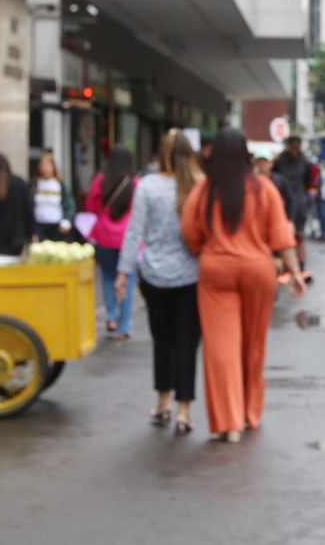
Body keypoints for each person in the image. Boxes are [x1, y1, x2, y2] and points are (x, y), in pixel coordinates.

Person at [181, 128, 306, 444]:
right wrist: (295, 273)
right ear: (245, 154)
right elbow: (281, 236)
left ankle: (229, 421)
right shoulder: (263, 188)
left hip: (216, 271)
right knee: (253, 345)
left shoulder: (204, 190)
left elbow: (190, 233)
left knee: (221, 347)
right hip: (257, 271)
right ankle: (250, 412)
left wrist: (207, 249)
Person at [116, 130, 203, 434]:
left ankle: (163, 400)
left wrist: (123, 272)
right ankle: (184, 410)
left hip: (154, 276)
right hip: (192, 276)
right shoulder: (199, 185)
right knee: (187, 343)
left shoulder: (147, 186)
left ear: (162, 154)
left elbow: (134, 231)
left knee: (162, 340)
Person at [87, 146, 138, 338]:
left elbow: (91, 206)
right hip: (127, 239)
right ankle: (124, 326)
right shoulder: (135, 183)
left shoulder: (100, 180)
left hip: (104, 238)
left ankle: (110, 317)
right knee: (127, 280)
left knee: (108, 277)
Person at [272, 135, 311, 267]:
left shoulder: (304, 161)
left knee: (299, 234)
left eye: (297, 145)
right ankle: (288, 262)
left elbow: (307, 181)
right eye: (292, 145)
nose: (294, 148)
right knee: (284, 233)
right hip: (284, 201)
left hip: (299, 200)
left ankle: (300, 263)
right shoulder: (280, 161)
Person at [32, 152, 75, 242]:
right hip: (39, 226)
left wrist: (67, 220)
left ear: (53, 167)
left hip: (57, 227)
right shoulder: (34, 185)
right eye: (43, 165)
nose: (45, 168)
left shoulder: (60, 186)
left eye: (48, 165)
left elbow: (69, 205)